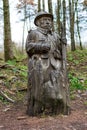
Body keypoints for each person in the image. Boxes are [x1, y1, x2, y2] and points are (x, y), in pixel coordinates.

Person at [26, 11, 70, 116]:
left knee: (58, 85)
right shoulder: (34, 33)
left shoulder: (55, 35)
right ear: (38, 22)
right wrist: (42, 47)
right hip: (41, 63)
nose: (47, 22)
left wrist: (63, 43)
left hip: (56, 63)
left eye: (49, 20)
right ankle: (39, 109)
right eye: (44, 20)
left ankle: (58, 107)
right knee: (40, 86)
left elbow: (60, 48)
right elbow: (28, 47)